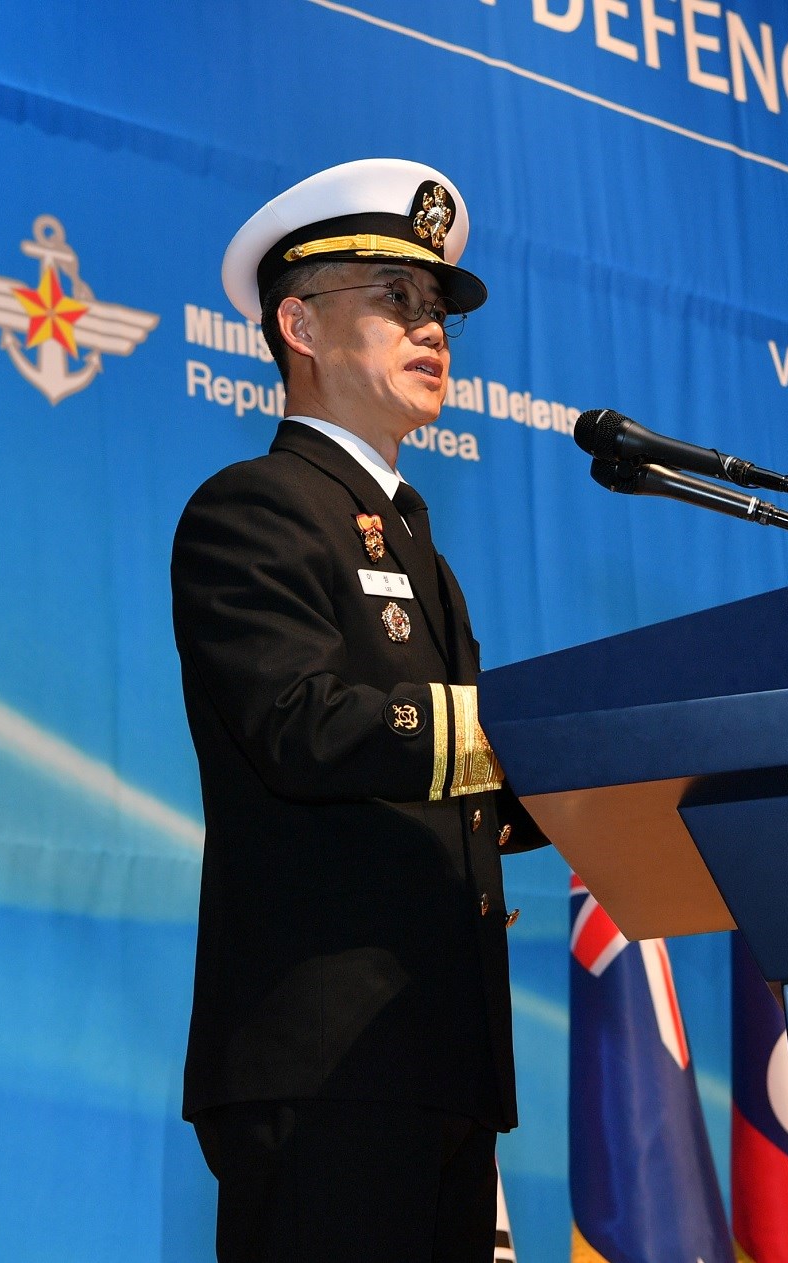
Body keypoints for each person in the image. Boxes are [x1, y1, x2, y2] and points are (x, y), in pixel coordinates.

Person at [171, 158, 549, 1261]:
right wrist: (511, 735)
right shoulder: (256, 508)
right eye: (395, 297)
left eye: (437, 308)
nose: (430, 328)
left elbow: (456, 799)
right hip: (326, 1060)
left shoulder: (419, 545)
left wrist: (597, 780)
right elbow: (300, 724)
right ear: (297, 324)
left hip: (440, 1059)